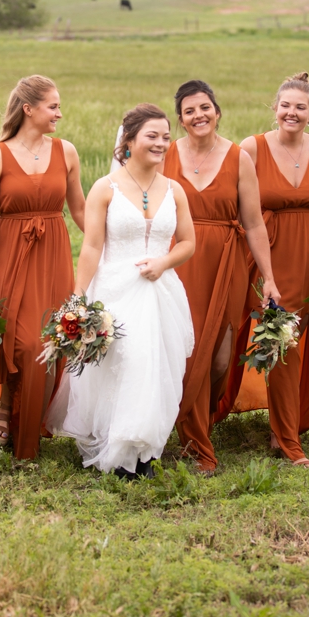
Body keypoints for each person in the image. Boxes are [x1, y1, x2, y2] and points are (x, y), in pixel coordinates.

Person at [46, 105, 196, 476]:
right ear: (128, 141)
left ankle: (145, 448)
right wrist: (79, 296)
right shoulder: (105, 188)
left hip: (161, 292)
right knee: (125, 364)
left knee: (159, 366)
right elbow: (93, 247)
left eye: (165, 136)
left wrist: (163, 263)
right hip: (115, 289)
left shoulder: (175, 190)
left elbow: (188, 242)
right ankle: (120, 448)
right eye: (152, 136)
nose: (161, 143)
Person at [161, 80, 283, 473]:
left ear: (217, 111)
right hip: (177, 261)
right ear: (180, 120)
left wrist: (268, 277)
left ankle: (198, 418)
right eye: (190, 111)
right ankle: (195, 441)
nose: (199, 115)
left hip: (225, 263)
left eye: (205, 108)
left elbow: (254, 224)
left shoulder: (238, 158)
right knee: (183, 352)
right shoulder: (165, 155)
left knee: (219, 360)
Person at [0, 75, 86, 458]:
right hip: (11, 251)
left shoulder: (66, 151)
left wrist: (111, 242)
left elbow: (80, 208)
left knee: (48, 338)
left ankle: (25, 418)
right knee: (19, 338)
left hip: (52, 249)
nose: (59, 113)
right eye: (53, 106)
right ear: (28, 109)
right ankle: (5, 402)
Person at [241, 72, 309, 468]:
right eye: (285, 105)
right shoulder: (251, 147)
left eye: (300, 107)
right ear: (275, 108)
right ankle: (287, 440)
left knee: (298, 338)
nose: (291, 112)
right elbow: (234, 202)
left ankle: (285, 424)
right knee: (280, 334)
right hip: (267, 253)